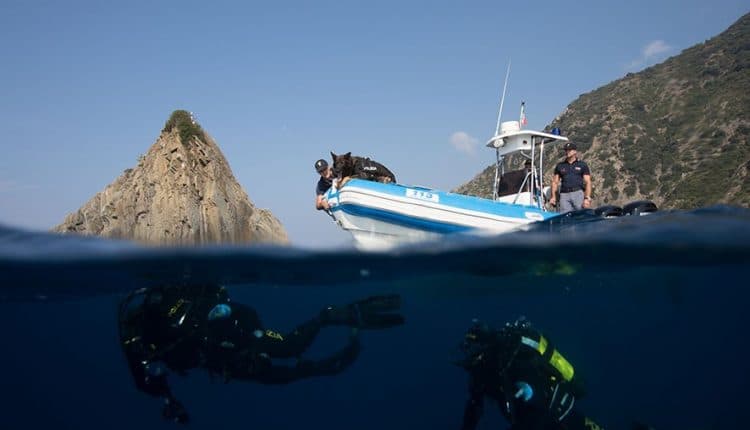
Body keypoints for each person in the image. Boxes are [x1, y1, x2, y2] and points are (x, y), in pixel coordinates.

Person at [118, 284, 404, 424]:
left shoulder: (182, 294)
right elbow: (143, 379)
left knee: (290, 347)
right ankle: (329, 358)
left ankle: (328, 318)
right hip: (223, 361)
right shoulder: (138, 331)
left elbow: (235, 307)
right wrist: (169, 399)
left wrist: (254, 336)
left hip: (240, 337)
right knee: (281, 373)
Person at [456, 318, 607, 430]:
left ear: (485, 348)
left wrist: (529, 390)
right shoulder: (480, 374)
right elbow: (474, 406)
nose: (472, 356)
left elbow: (537, 390)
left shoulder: (512, 356)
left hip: (557, 416)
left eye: (474, 350)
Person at [549, 142, 592, 212]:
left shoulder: (582, 165)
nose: (567, 152)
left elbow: (588, 182)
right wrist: (553, 197)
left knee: (580, 215)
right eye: (566, 150)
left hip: (578, 193)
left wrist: (587, 198)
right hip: (564, 195)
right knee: (565, 217)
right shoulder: (560, 166)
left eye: (570, 150)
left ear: (575, 151)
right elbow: (555, 182)